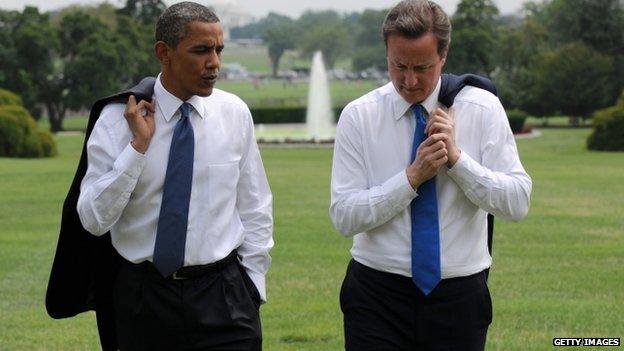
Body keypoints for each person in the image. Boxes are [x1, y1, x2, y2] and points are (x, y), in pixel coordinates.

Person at [50, 2, 273, 350]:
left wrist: (253, 284)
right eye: (201, 50)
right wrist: (137, 148)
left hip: (225, 297)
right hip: (144, 298)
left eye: (218, 50)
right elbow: (93, 220)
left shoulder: (234, 113)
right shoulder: (115, 121)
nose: (214, 62)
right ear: (163, 53)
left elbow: (255, 206)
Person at [329, 1, 532, 350]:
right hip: (376, 296)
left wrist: (457, 161)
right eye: (398, 65)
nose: (409, 80)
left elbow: (517, 203)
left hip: (460, 296)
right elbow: (344, 216)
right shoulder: (358, 116)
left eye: (422, 67)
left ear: (444, 55)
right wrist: (411, 179)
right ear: (387, 53)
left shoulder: (483, 109)